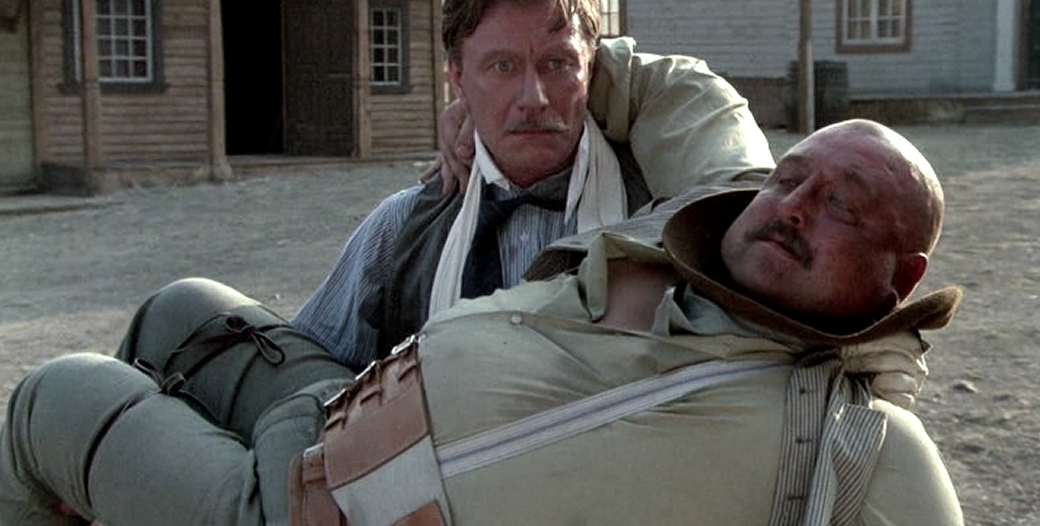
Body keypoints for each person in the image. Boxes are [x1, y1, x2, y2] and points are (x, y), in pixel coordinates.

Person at [0, 119, 962, 526]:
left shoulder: (865, 442)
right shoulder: (691, 256)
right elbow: (677, 92)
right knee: (183, 310)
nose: (793, 207)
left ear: (903, 274)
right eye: (789, 177)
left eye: (844, 206)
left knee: (56, 397)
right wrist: (497, 96)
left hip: (330, 511)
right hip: (344, 414)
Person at [290, 0, 775, 370]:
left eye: (557, 64)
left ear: (592, 68)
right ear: (457, 76)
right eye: (501, 67)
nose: (533, 98)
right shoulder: (403, 231)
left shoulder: (664, 214)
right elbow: (304, 364)